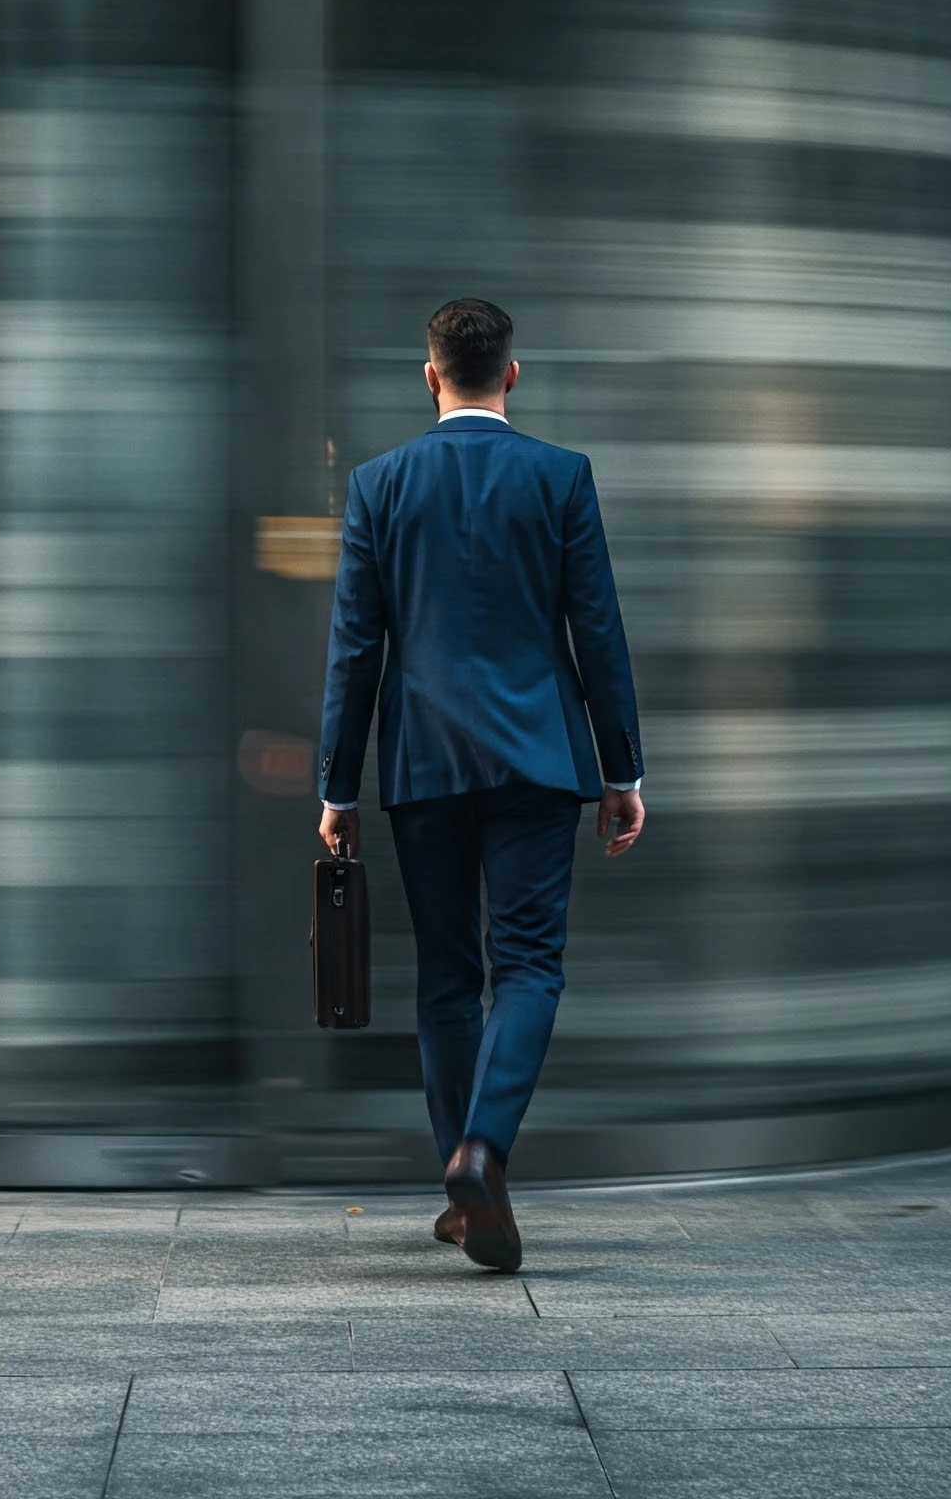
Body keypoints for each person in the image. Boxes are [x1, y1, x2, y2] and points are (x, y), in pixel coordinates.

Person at [316, 298, 644, 1273]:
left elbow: (353, 649)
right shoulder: (559, 477)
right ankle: (482, 1152)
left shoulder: (378, 483)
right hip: (540, 762)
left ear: (429, 376)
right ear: (511, 373)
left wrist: (337, 786)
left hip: (422, 766)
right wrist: (619, 768)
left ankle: (460, 1185)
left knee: (447, 979)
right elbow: (598, 634)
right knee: (529, 965)